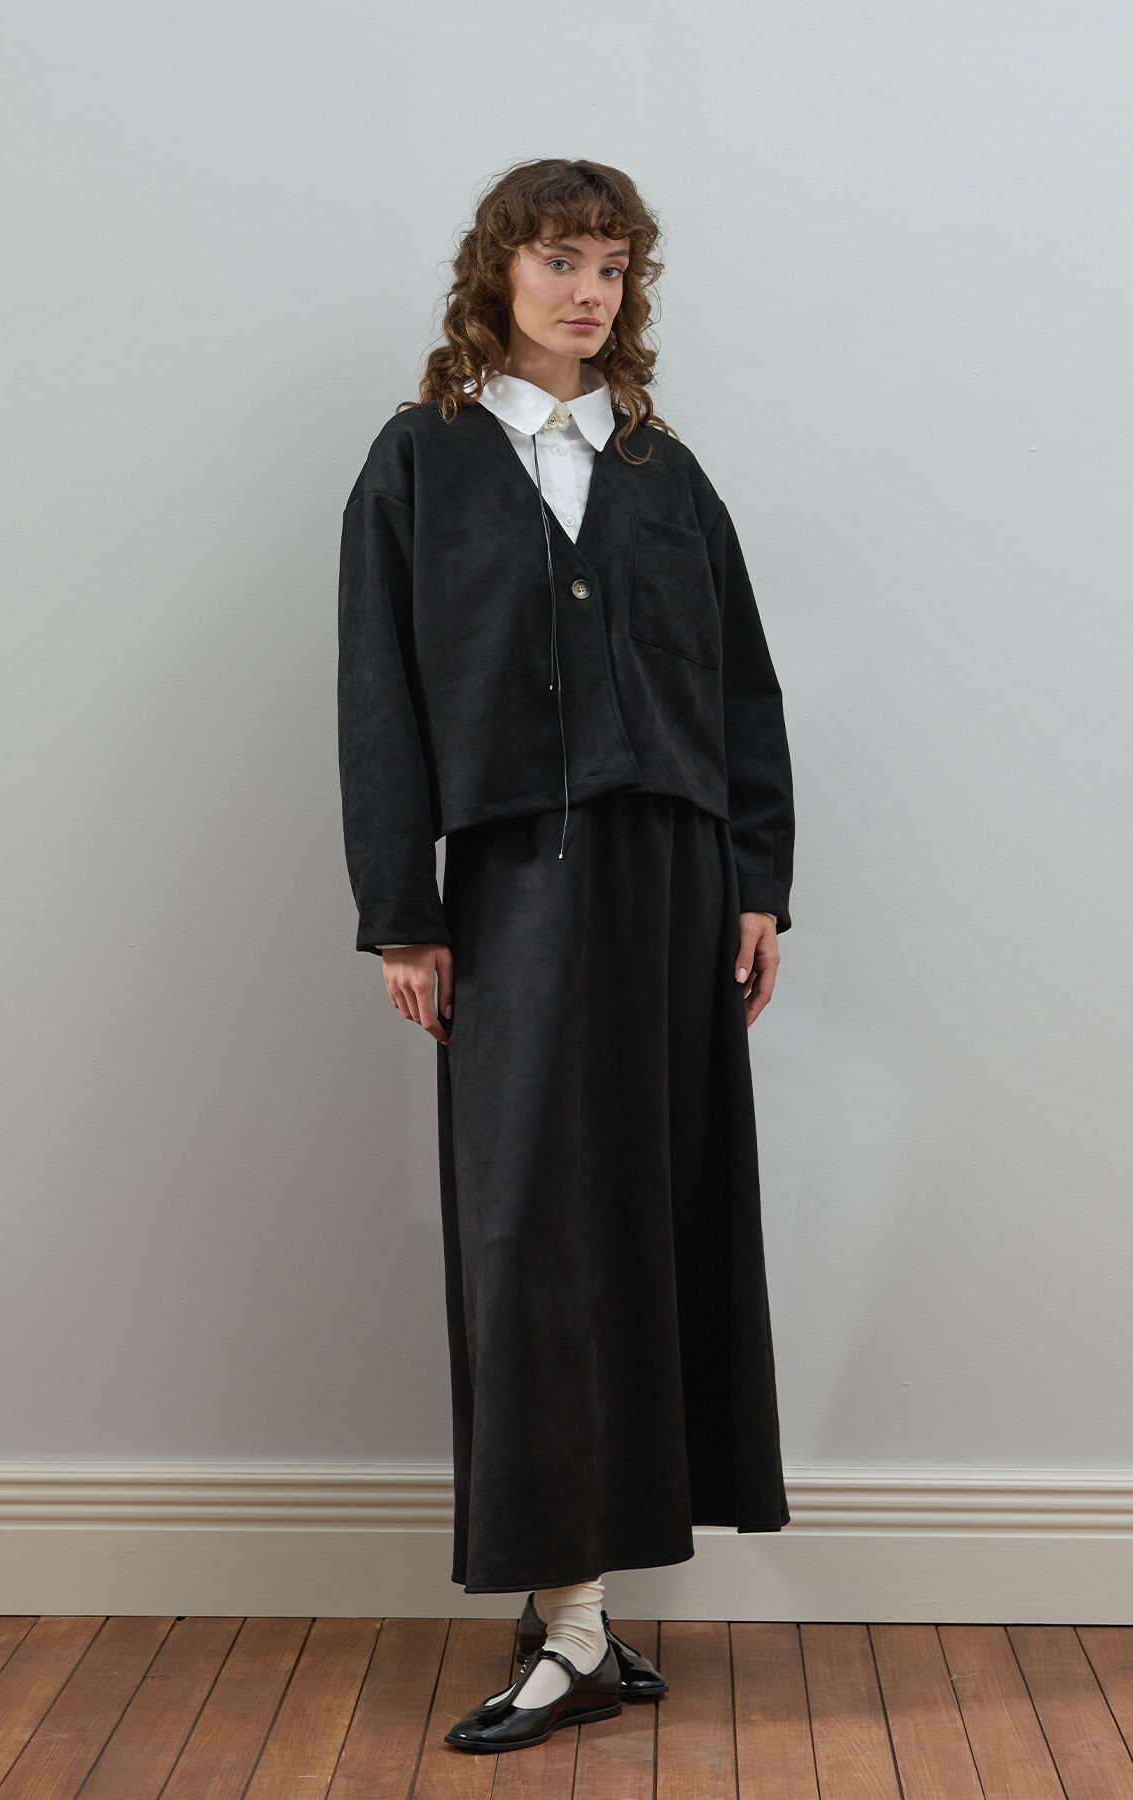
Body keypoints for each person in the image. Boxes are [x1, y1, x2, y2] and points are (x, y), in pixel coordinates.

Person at [337, 157, 795, 1755]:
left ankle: (584, 1619)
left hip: (675, 886)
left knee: (656, 1218)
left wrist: (758, 882)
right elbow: (378, 693)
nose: (589, 291)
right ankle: (576, 1619)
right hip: (514, 885)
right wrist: (403, 908)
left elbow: (742, 688)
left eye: (611, 267)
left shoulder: (666, 472)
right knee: (531, 1228)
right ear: (499, 272)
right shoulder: (423, 459)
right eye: (560, 260)